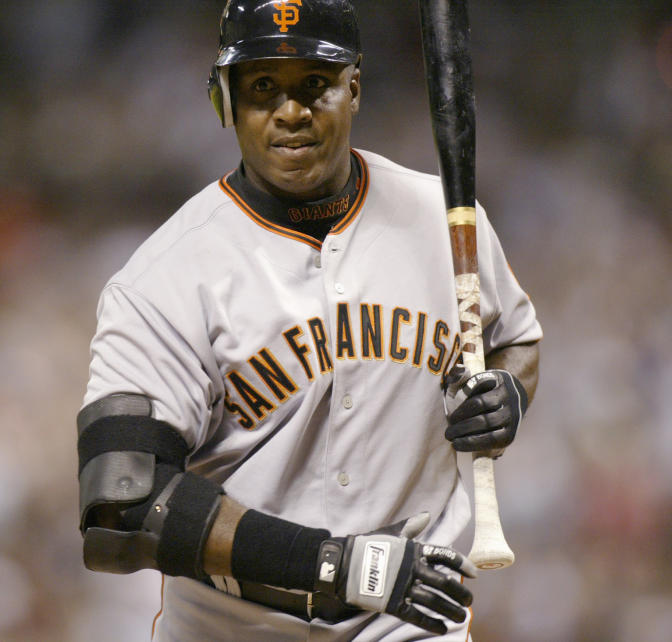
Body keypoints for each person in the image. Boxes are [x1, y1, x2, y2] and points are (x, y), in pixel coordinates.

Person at [76, 1, 541, 639]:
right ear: (226, 102)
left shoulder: (443, 217)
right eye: (263, 87)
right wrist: (335, 564)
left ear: (354, 88)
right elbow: (123, 507)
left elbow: (514, 340)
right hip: (234, 626)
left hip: (408, 622)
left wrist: (508, 393)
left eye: (313, 85)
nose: (290, 111)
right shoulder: (165, 275)